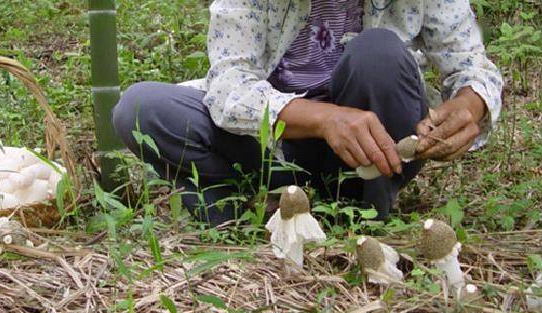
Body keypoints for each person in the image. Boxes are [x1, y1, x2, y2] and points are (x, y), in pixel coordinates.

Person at [113, 0, 503, 225]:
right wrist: (324, 118)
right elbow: (230, 83)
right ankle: (254, 199)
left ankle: (365, 206)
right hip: (278, 142)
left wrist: (469, 105)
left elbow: (470, 62)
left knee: (379, 53)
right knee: (140, 108)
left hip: (378, 139)